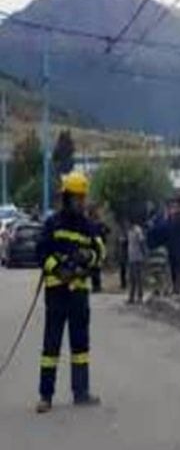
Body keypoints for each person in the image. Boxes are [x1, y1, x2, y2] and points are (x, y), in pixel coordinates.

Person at [36, 172, 105, 413]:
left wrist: (89, 257)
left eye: (82, 198)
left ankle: (81, 392)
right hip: (56, 292)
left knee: (80, 346)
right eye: (76, 198)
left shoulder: (88, 226)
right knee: (51, 346)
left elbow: (100, 253)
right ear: (66, 197)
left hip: (79, 294)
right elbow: (41, 253)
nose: (81, 202)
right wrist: (59, 268)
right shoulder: (52, 223)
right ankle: (45, 396)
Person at [166, 203, 180, 296]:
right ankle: (176, 287)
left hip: (176, 248)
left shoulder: (178, 222)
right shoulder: (173, 221)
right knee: (175, 269)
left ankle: (177, 288)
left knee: (176, 269)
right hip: (175, 248)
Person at [88, 205, 109, 293]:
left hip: (97, 247)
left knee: (96, 267)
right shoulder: (92, 223)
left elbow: (108, 230)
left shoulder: (99, 224)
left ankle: (96, 286)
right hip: (94, 247)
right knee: (95, 267)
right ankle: (96, 286)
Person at [126, 219, 147, 305]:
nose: (126, 224)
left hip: (137, 258)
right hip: (131, 258)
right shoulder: (129, 231)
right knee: (132, 279)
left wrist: (144, 254)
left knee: (138, 279)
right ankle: (131, 297)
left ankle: (139, 297)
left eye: (127, 222)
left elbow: (142, 242)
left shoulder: (137, 230)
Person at [117, 222, 128, 290]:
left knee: (124, 271)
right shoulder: (122, 235)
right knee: (122, 271)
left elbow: (124, 241)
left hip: (125, 256)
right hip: (122, 256)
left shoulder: (126, 237)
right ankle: (123, 284)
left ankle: (124, 284)